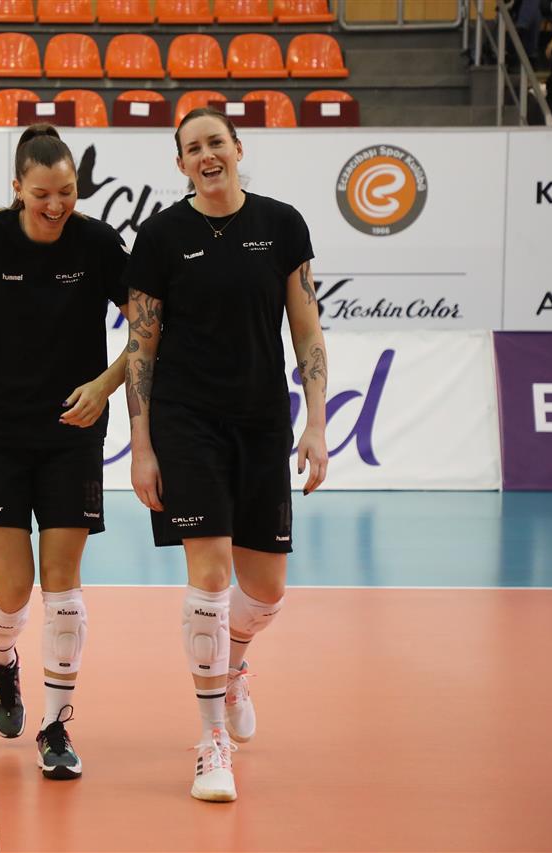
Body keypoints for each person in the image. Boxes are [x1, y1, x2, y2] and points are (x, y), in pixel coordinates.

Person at [124, 108, 329, 803]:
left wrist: (316, 424)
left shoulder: (282, 224)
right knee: (209, 576)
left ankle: (233, 665)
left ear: (238, 149)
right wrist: (142, 445)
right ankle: (211, 742)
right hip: (186, 422)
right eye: (193, 148)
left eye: (216, 142)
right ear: (180, 164)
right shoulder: (159, 236)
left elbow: (307, 329)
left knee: (266, 591)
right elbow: (141, 348)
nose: (207, 155)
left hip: (263, 421)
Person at [0, 124, 129, 781]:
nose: (56, 204)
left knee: (63, 585)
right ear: (17, 188)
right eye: (42, 193)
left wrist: (105, 385)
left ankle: (57, 726)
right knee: (14, 587)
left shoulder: (99, 244)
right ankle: (2, 660)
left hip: (72, 432)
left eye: (66, 191)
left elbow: (150, 328)